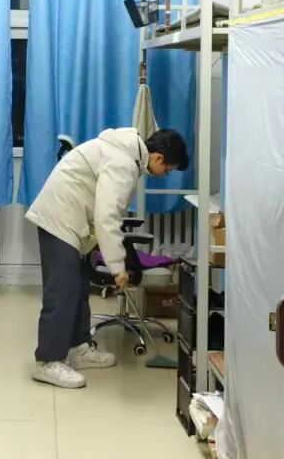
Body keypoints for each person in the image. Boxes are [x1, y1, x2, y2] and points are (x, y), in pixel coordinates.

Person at [25, 128, 189, 388]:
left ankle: (77, 348)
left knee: (78, 288)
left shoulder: (124, 154)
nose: (164, 174)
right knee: (62, 291)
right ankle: (48, 361)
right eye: (167, 170)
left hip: (71, 219)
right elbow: (107, 216)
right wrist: (117, 266)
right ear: (158, 158)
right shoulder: (123, 164)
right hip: (60, 219)